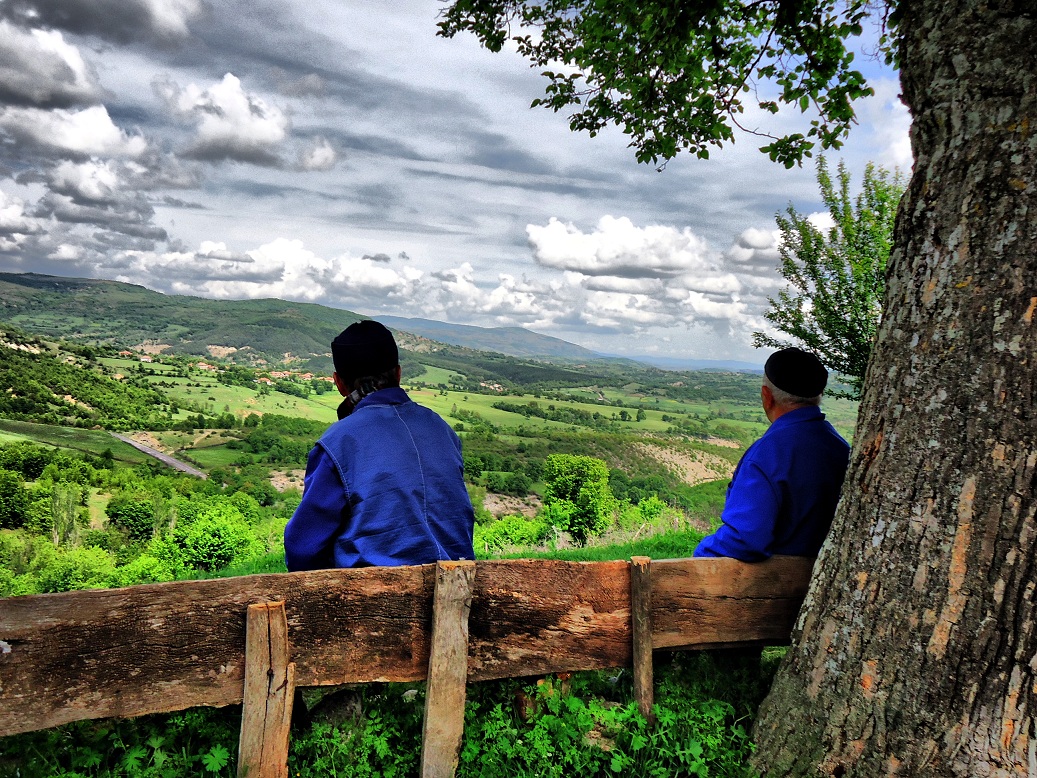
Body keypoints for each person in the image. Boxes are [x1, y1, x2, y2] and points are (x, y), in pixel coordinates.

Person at [284, 320, 475, 571]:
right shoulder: (441, 429)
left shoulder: (338, 442)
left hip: (374, 600)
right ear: (398, 373)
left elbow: (303, 549)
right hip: (460, 588)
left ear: (339, 383)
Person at [694, 347, 850, 561]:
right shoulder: (841, 448)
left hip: (777, 588)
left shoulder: (766, 455)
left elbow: (743, 540)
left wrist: (700, 554)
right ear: (818, 395)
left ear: (767, 397)